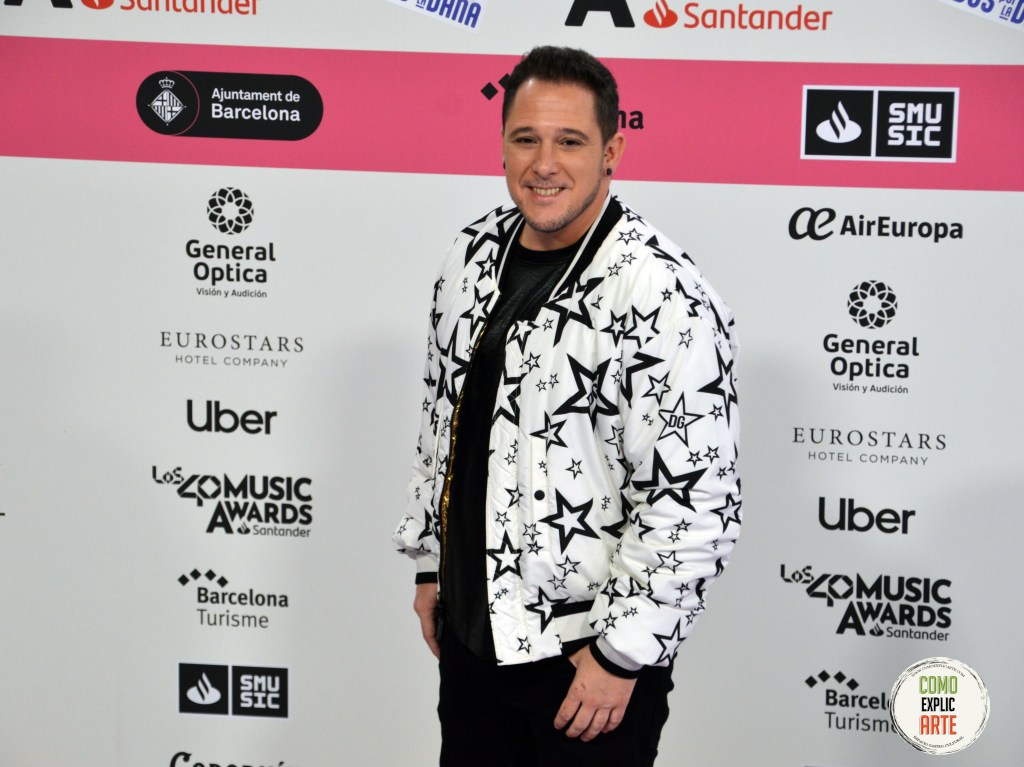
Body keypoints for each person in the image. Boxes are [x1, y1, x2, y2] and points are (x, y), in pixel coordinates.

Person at [393, 45, 741, 767]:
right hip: (472, 642)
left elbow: (695, 493)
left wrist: (621, 655)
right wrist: (431, 565)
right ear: (502, 146)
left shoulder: (660, 292)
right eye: (526, 138)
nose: (544, 163)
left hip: (585, 659)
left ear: (611, 151)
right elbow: (443, 424)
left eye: (570, 141)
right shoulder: (471, 255)